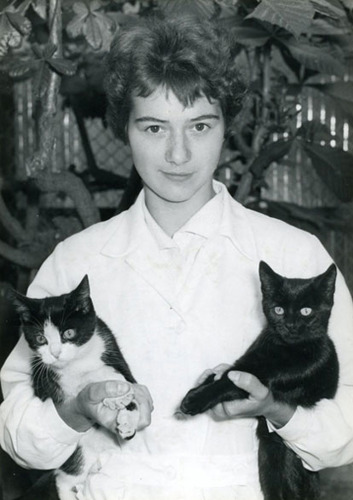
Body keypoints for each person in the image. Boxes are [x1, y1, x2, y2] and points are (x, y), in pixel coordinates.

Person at [1, 14, 353, 500]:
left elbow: (346, 431)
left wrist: (275, 409)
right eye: (154, 128)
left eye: (200, 125)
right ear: (124, 128)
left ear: (228, 123)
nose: (179, 154)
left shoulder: (293, 256)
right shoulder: (75, 263)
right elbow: (21, 438)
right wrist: (79, 408)